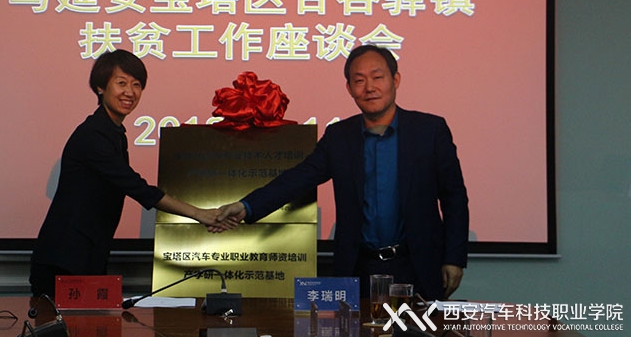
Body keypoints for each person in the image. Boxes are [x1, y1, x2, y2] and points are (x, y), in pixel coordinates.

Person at [216, 44, 469, 300]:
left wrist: (454, 258)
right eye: (359, 81)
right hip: (358, 268)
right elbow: (299, 178)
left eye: (377, 77)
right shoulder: (339, 136)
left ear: (395, 80)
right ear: (349, 88)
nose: (369, 87)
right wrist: (247, 206)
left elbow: (454, 198)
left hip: (418, 265)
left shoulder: (430, 131)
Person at [30, 49, 232, 297]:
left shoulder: (113, 132)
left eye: (137, 85)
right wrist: (199, 214)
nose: (130, 92)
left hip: (87, 254)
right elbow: (137, 187)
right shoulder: (93, 135)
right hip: (64, 259)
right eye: (122, 83)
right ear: (100, 87)